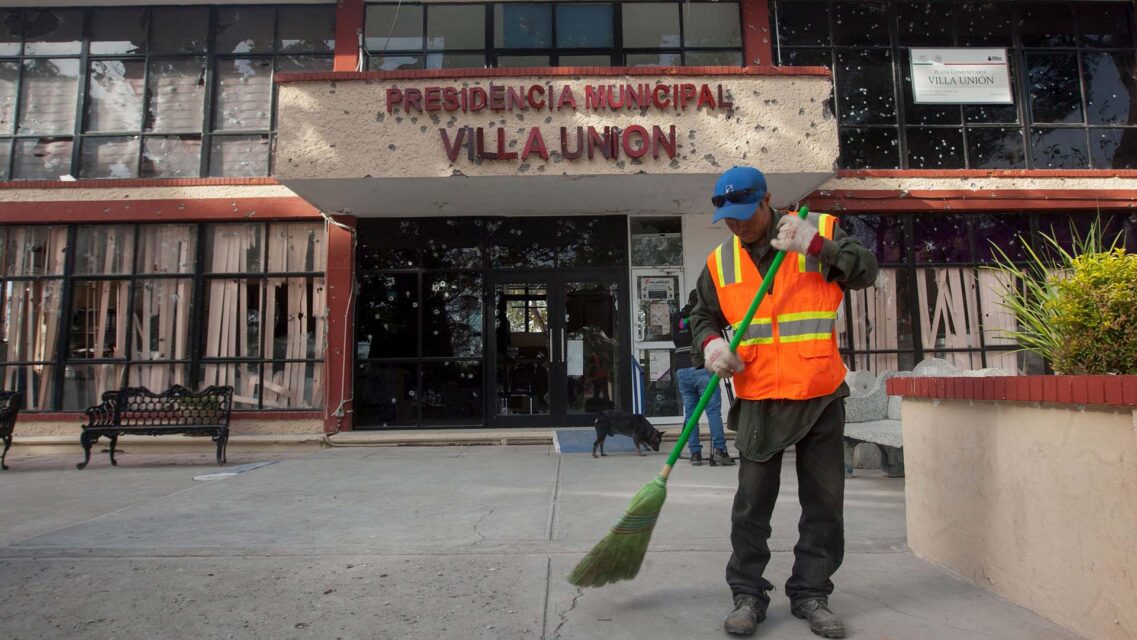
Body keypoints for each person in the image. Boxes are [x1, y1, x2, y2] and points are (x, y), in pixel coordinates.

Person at [689, 166, 878, 638]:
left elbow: (866, 271)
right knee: (751, 503)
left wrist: (816, 246)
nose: (738, 225)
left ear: (766, 199)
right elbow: (700, 315)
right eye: (728, 218)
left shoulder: (818, 233)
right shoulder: (721, 261)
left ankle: (812, 592)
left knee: (824, 502)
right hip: (759, 395)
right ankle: (748, 594)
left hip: (818, 391)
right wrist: (712, 345)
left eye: (744, 214)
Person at [671, 289, 732, 467]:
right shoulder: (703, 317)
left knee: (691, 414)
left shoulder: (677, 318)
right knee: (712, 412)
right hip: (702, 367)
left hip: (682, 369)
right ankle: (720, 451)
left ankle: (695, 453)